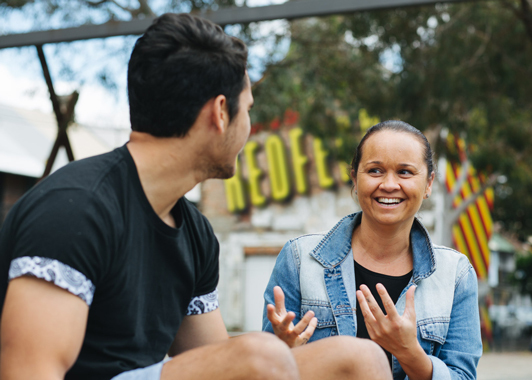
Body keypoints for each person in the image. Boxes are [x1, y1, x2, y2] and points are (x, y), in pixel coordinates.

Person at [0, 13, 392, 380]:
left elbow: (215, 358)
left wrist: (278, 354)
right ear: (221, 113)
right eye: (248, 109)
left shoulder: (194, 232)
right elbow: (26, 371)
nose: (249, 127)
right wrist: (264, 358)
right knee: (262, 356)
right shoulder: (76, 210)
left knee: (360, 359)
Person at [263, 120, 483, 380]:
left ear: (428, 183)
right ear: (354, 177)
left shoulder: (455, 274)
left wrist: (409, 352)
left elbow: (463, 376)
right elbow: (263, 367)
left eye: (405, 172)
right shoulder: (300, 260)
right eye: (375, 170)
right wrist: (285, 353)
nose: (389, 184)